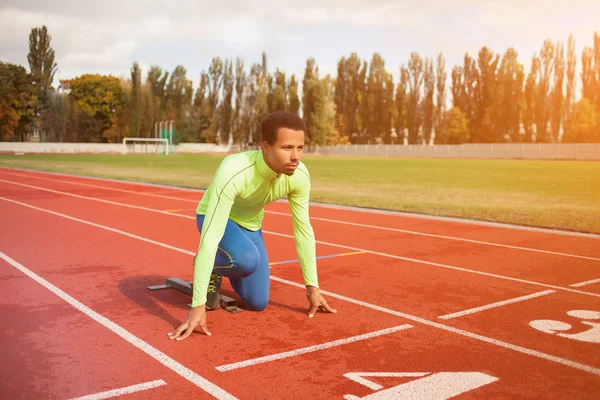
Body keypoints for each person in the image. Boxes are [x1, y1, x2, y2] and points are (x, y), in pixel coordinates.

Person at [168, 111, 336, 341]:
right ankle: (207, 267)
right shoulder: (234, 170)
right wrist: (197, 305)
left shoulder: (299, 175)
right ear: (266, 147)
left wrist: (312, 287)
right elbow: (211, 236)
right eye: (287, 148)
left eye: (300, 147)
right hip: (214, 218)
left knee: (257, 303)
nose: (296, 156)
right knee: (246, 259)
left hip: (250, 225)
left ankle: (215, 265)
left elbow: (303, 230)